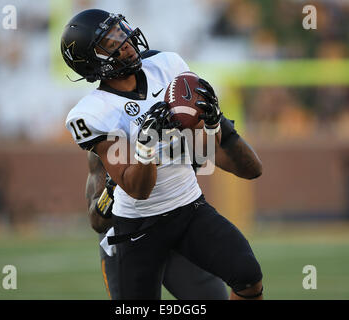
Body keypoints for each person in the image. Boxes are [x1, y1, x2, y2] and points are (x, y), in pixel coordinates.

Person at [62, 9, 263, 300]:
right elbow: (101, 218)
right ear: (92, 60)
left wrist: (213, 122)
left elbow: (239, 163)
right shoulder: (93, 114)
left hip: (187, 211)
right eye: (110, 41)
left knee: (246, 275)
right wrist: (144, 150)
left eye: (121, 31)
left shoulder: (167, 66)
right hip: (134, 228)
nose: (125, 41)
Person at [86, 152, 229, 300]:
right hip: (128, 236)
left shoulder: (183, 130)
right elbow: (97, 221)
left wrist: (212, 132)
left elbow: (245, 164)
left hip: (174, 224)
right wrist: (112, 191)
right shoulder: (108, 134)